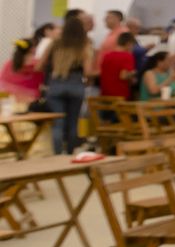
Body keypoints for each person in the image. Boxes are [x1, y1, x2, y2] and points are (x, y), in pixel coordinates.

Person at [41, 13, 96, 154]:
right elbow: (88, 71)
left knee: (57, 122)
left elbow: (40, 64)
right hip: (76, 84)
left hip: (56, 82)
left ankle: (57, 154)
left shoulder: (55, 44)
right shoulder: (83, 45)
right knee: (73, 122)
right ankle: (70, 153)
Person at [2, 26, 53, 107]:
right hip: (30, 101)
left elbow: (3, 81)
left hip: (9, 100)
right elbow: (42, 81)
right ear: (32, 49)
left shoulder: (9, 63)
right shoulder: (37, 64)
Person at [98, 32, 138, 100]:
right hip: (120, 95)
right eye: (133, 45)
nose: (132, 48)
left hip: (105, 94)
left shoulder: (107, 56)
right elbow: (123, 76)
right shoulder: (127, 56)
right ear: (129, 43)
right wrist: (133, 73)